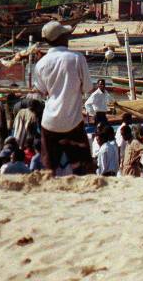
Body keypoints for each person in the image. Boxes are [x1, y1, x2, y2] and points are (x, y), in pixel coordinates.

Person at [32, 20, 94, 174]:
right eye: (65, 35)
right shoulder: (77, 58)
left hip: (50, 121)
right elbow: (88, 88)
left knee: (49, 167)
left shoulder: (41, 63)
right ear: (60, 38)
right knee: (83, 166)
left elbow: (41, 90)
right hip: (73, 120)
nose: (67, 37)